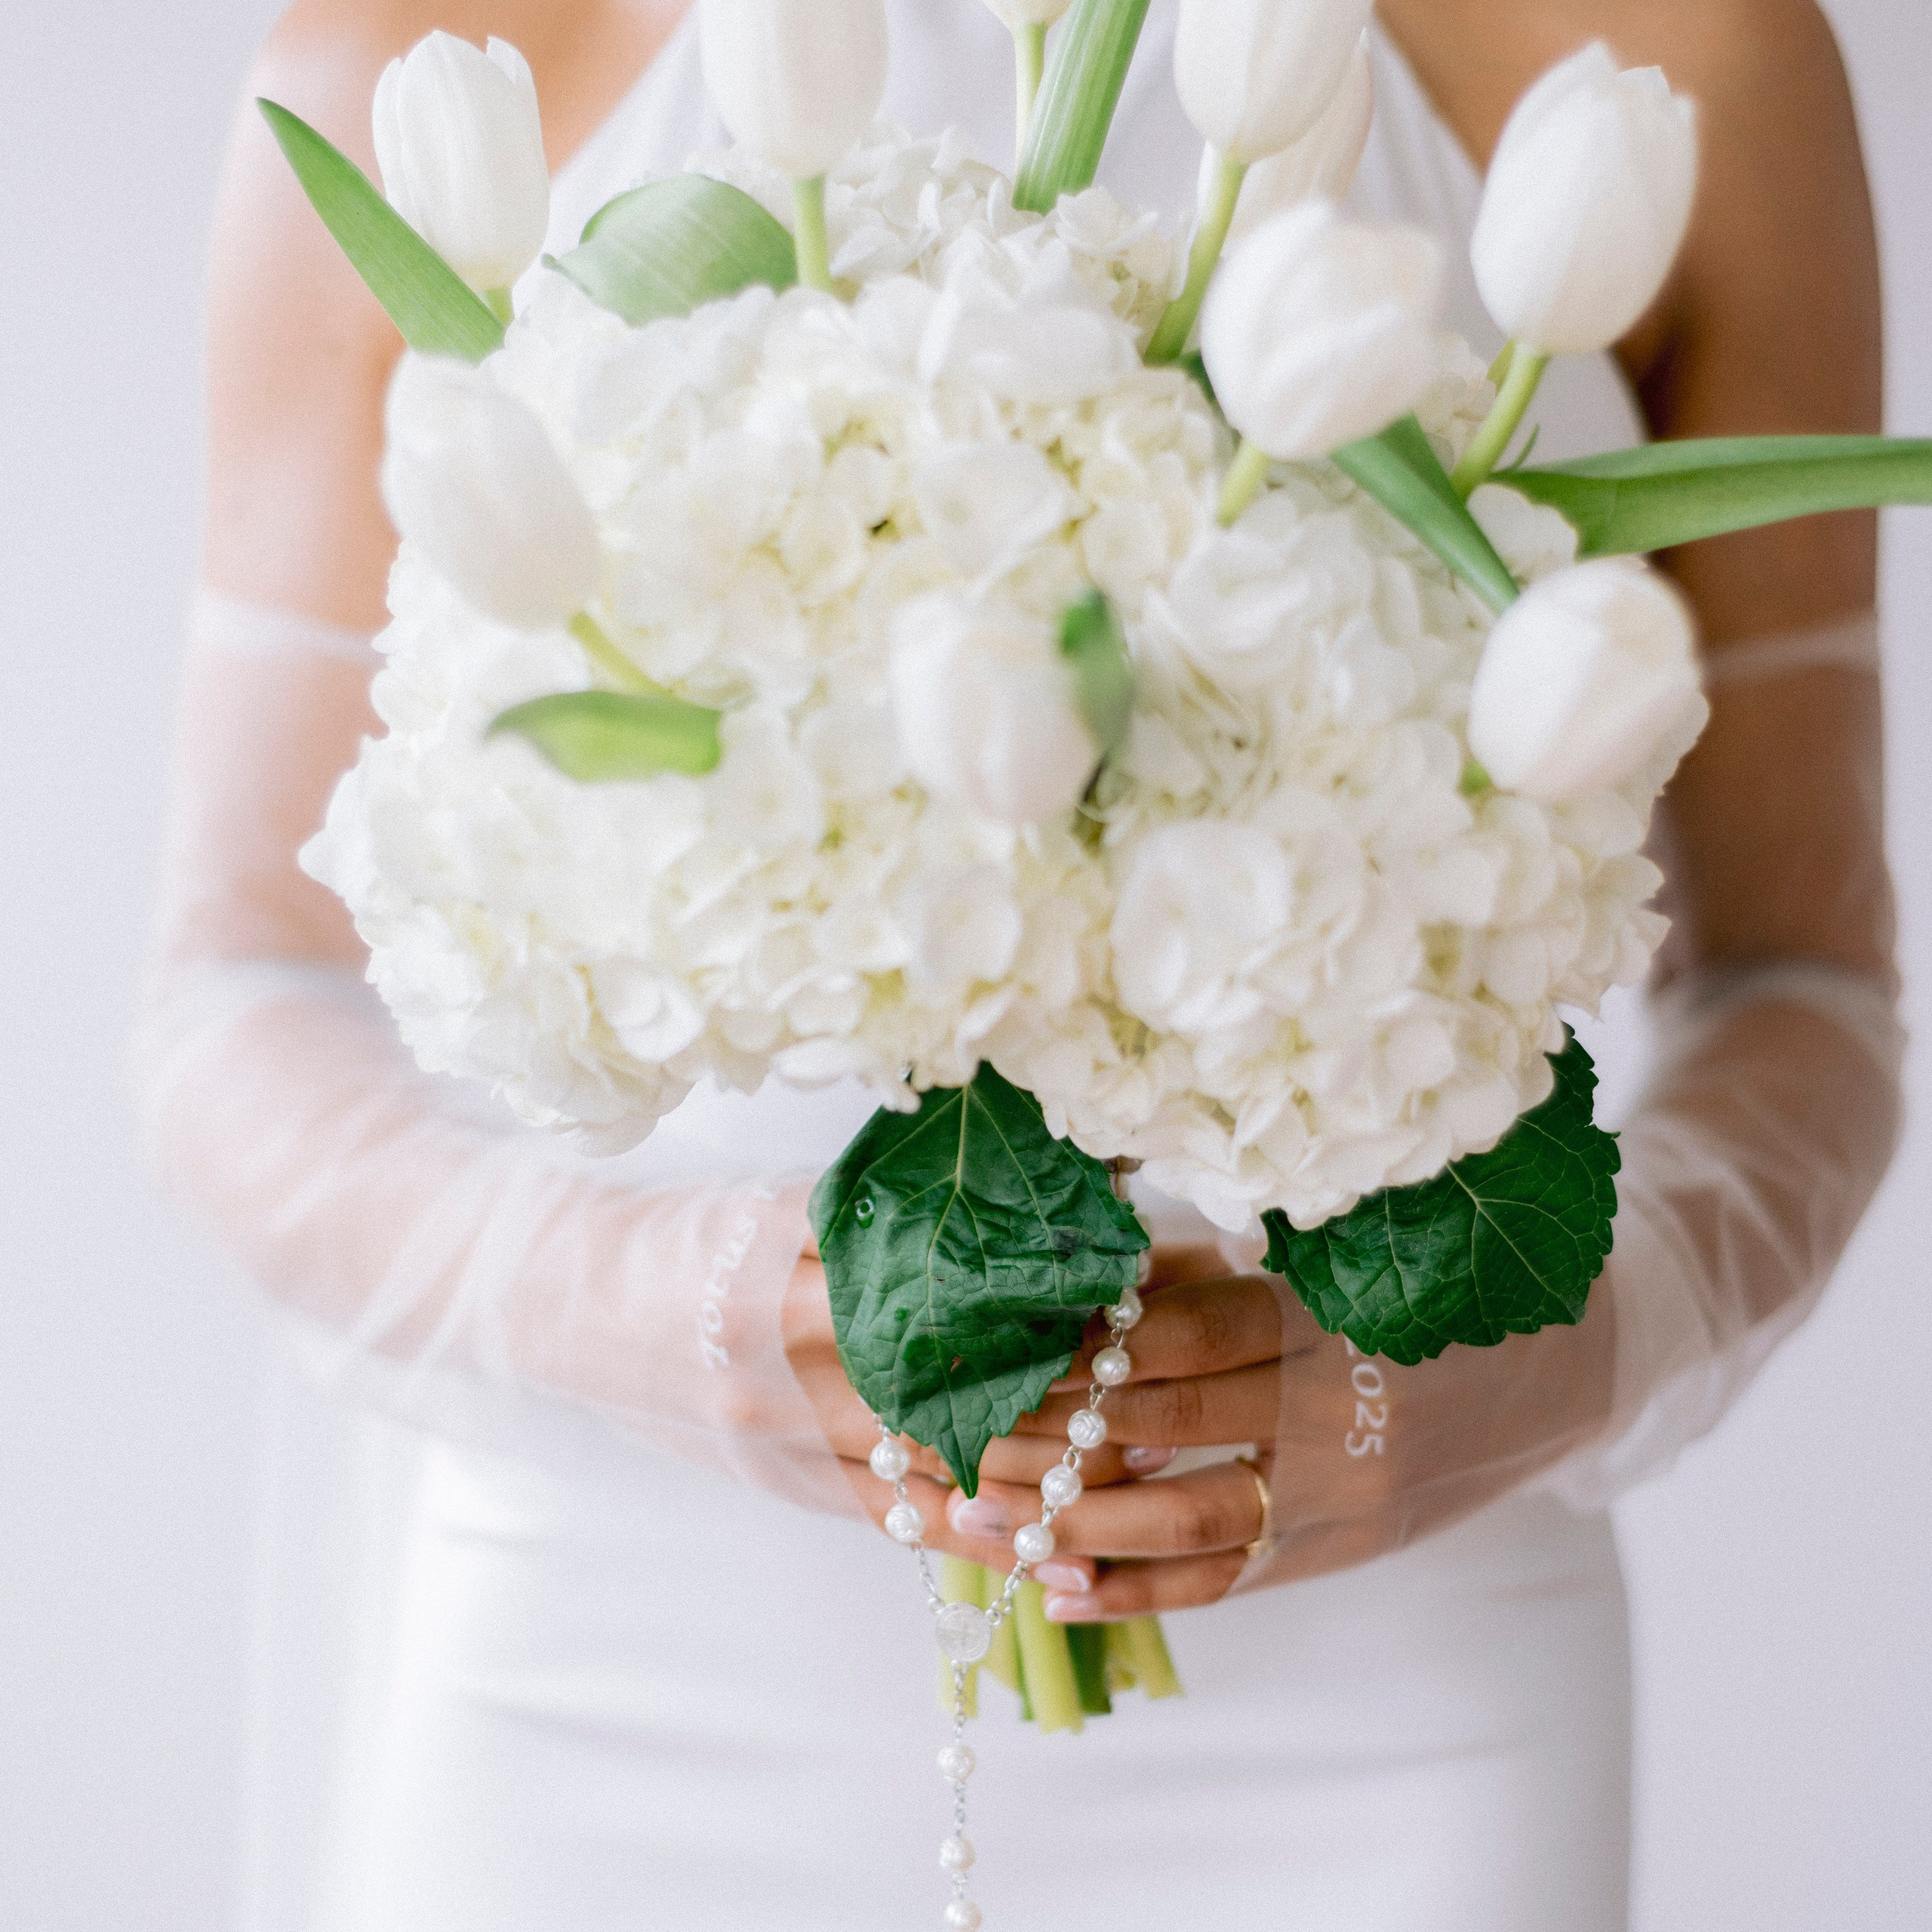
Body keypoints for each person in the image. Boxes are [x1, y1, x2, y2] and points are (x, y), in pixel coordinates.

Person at [142, 0, 1901, 1925]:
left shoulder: (1668, 61)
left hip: (1386, 1689)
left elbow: (1800, 982)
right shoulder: (435, 47)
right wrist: (674, 1311)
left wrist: (1458, 1396)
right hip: (609, 1661)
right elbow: (247, 986)